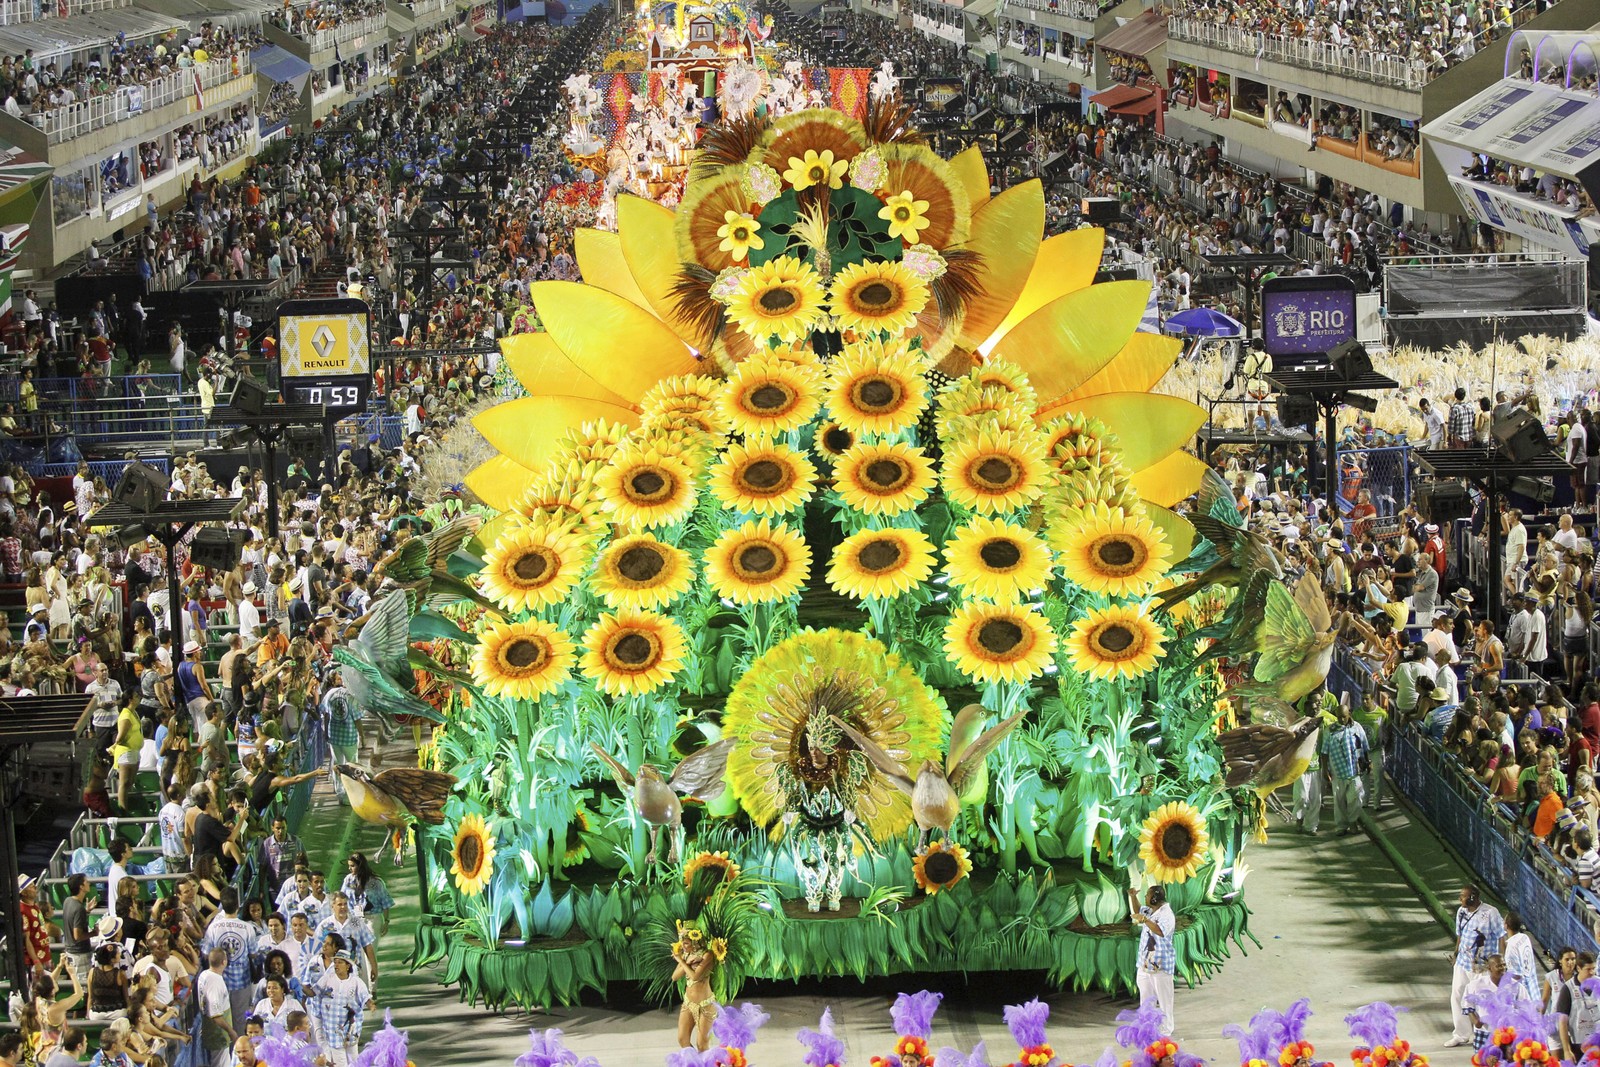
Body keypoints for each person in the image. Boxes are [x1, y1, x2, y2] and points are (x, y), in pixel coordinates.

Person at [1447, 884, 1503, 1047]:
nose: (1460, 899)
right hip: (1463, 963)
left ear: (1473, 897)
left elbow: (1501, 936)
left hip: (1483, 966)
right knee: (1457, 995)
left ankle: (1485, 1034)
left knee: (1483, 999)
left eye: (1463, 896)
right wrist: (1456, 953)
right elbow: (1460, 935)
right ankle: (1461, 1034)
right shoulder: (1461, 912)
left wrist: (1501, 959)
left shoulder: (1491, 913)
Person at [198, 887, 258, 1031]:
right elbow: (254, 954)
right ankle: (240, 1051)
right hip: (241, 981)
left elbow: (206, 953)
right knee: (240, 1021)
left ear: (222, 906)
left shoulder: (213, 928)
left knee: (221, 1021)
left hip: (219, 981)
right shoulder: (247, 928)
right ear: (238, 905)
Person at [308, 951, 372, 1067]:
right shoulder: (328, 979)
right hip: (333, 1030)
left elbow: (366, 997)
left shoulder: (356, 981)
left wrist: (370, 1004)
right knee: (339, 1062)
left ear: (348, 966)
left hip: (351, 1030)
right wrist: (301, 987)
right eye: (335, 962)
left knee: (354, 1060)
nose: (336, 965)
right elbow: (313, 992)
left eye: (340, 962)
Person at [1129, 883, 1176, 1037]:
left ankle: (1165, 1031)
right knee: (1146, 1000)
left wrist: (1144, 920)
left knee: (1164, 1002)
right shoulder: (1151, 910)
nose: (1146, 897)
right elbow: (1138, 910)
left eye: (1147, 895)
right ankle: (1147, 1026)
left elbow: (1160, 931)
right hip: (1144, 965)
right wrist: (1133, 897)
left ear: (1155, 898)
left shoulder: (1167, 915)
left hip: (1160, 967)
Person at [1319, 700, 1367, 835]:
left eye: (1344, 716)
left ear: (1349, 714)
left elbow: (1364, 745)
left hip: (1354, 771)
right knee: (1339, 801)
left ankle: (1353, 822)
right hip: (1338, 771)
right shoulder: (1330, 731)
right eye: (1339, 716)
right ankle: (1341, 826)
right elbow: (1324, 752)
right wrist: (1325, 770)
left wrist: (1367, 763)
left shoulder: (1357, 727)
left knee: (1356, 798)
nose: (1341, 719)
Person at [1558, 951, 1600, 1061]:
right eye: (1588, 969)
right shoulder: (1568, 989)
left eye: (1593, 968)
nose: (1592, 972)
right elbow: (1562, 1022)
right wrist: (1567, 1050)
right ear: (1578, 968)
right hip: (1579, 1045)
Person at [197, 948, 235, 1067]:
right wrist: (231, 1031)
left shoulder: (204, 974)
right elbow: (216, 1015)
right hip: (218, 1034)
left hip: (209, 1029)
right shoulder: (215, 982)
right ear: (224, 962)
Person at [1462, 954, 1509, 1050]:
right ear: (1489, 968)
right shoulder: (1476, 985)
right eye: (1499, 966)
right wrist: (1476, 1021)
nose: (1503, 968)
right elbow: (1467, 1004)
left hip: (1507, 1034)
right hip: (1484, 1034)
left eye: (1504, 965)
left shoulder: (1514, 986)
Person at [340, 853, 393, 936]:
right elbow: (342, 897)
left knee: (371, 947)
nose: (349, 868)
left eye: (352, 866)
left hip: (373, 918)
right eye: (349, 866)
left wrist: (386, 922)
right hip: (355, 918)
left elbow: (385, 903)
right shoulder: (348, 880)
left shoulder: (376, 882)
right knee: (357, 947)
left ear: (360, 866)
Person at [61, 873, 94, 979]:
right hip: (80, 954)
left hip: (70, 952)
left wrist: (86, 912)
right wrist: (94, 933)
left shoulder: (67, 901)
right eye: (86, 882)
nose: (89, 883)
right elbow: (77, 936)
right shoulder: (78, 908)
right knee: (84, 988)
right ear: (81, 886)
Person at [1503, 912, 1539, 1002]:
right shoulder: (1525, 937)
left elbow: (1516, 977)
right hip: (1534, 991)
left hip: (1524, 998)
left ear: (1506, 926)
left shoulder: (1511, 947)